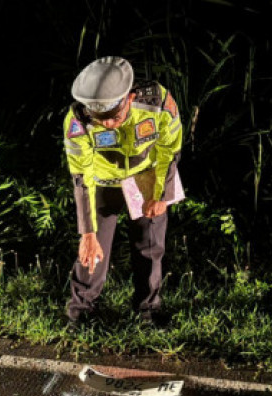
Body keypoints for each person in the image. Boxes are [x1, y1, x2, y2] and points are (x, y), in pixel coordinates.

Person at [63, 56, 183, 327]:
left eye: (114, 117)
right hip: (102, 185)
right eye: (100, 118)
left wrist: (161, 194)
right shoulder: (78, 118)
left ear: (129, 98)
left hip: (146, 177)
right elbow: (81, 175)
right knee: (91, 252)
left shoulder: (158, 104)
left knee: (150, 246)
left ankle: (148, 311)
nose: (108, 124)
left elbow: (170, 148)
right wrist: (88, 232)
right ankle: (80, 313)